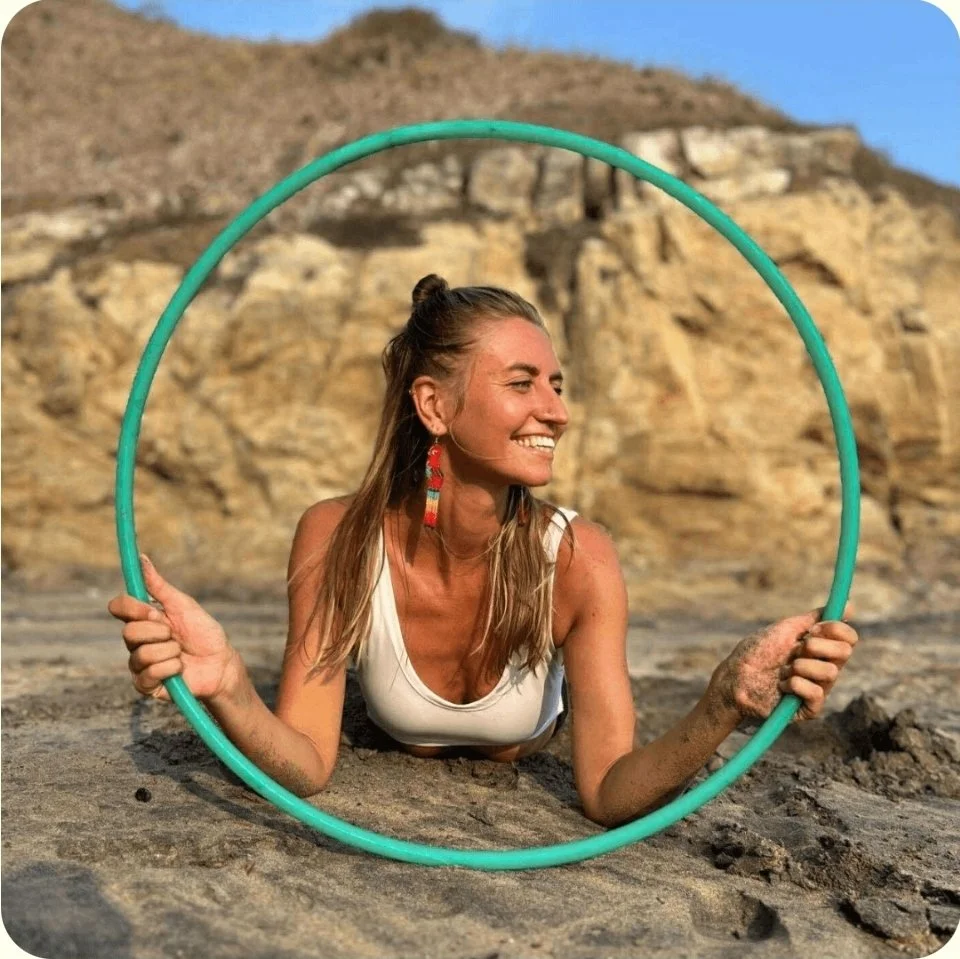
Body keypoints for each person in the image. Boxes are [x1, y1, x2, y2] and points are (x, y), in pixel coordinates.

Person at [108, 274, 859, 829]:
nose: (557, 412)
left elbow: (607, 790)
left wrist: (724, 700)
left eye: (557, 386)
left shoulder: (579, 558)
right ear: (435, 405)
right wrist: (229, 685)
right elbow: (305, 761)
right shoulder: (338, 538)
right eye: (523, 383)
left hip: (531, 741)